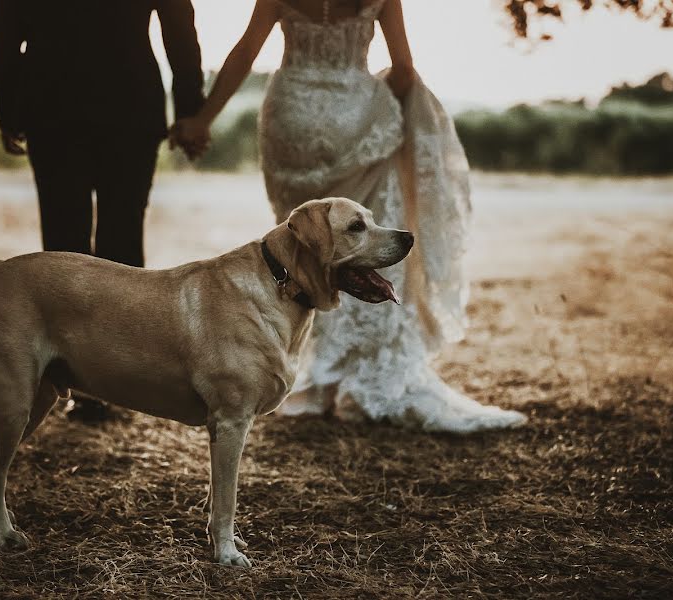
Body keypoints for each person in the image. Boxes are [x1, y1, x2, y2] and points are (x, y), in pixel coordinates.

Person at [172, 0, 526, 432]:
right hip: (355, 116)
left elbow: (245, 53)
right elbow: (403, 69)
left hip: (292, 117)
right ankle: (359, 375)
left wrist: (201, 120)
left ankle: (317, 373)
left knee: (307, 244)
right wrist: (375, 102)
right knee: (367, 241)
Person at [0, 0, 205, 422]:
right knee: (121, 244)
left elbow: (3, 33)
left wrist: (10, 108)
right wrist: (189, 109)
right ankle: (115, 384)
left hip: (51, 107)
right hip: (129, 104)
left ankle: (73, 379)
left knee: (63, 244)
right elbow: (180, 26)